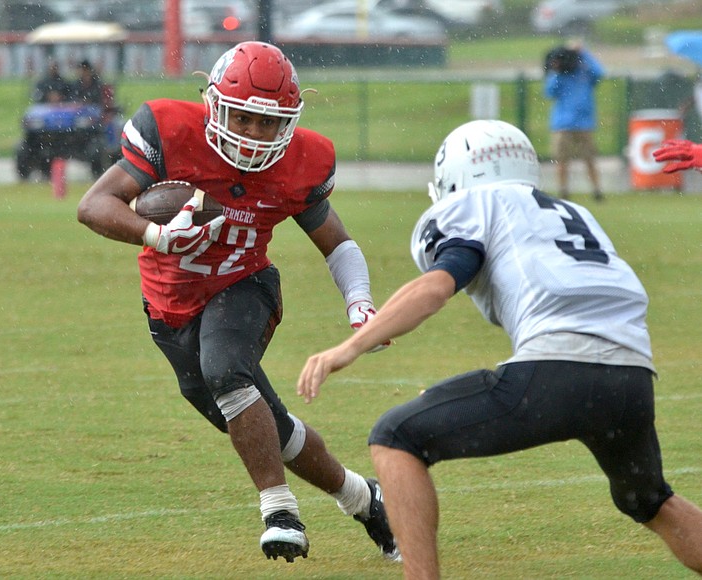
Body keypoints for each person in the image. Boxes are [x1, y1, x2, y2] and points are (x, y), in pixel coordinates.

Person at [297, 119, 702, 578]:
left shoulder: (475, 204)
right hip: (630, 376)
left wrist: (347, 348)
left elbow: (436, 287)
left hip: (559, 366)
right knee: (649, 501)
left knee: (395, 438)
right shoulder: (573, 212)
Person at [76, 41, 399, 564]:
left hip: (244, 286)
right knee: (276, 431)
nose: (253, 134)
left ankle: (280, 513)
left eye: (268, 124)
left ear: (289, 124)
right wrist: (157, 235)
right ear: (216, 105)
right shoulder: (170, 130)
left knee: (226, 370)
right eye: (244, 118)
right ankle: (364, 499)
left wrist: (360, 303)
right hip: (168, 310)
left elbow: (336, 241)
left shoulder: (301, 162)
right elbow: (93, 206)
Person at [544, 42, 604, 202]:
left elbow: (600, 72)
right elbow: (549, 92)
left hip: (584, 123)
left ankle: (597, 190)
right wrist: (556, 70)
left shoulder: (584, 73)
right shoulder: (559, 76)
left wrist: (584, 52)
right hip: (563, 124)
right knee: (562, 160)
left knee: (589, 159)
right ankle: (563, 190)